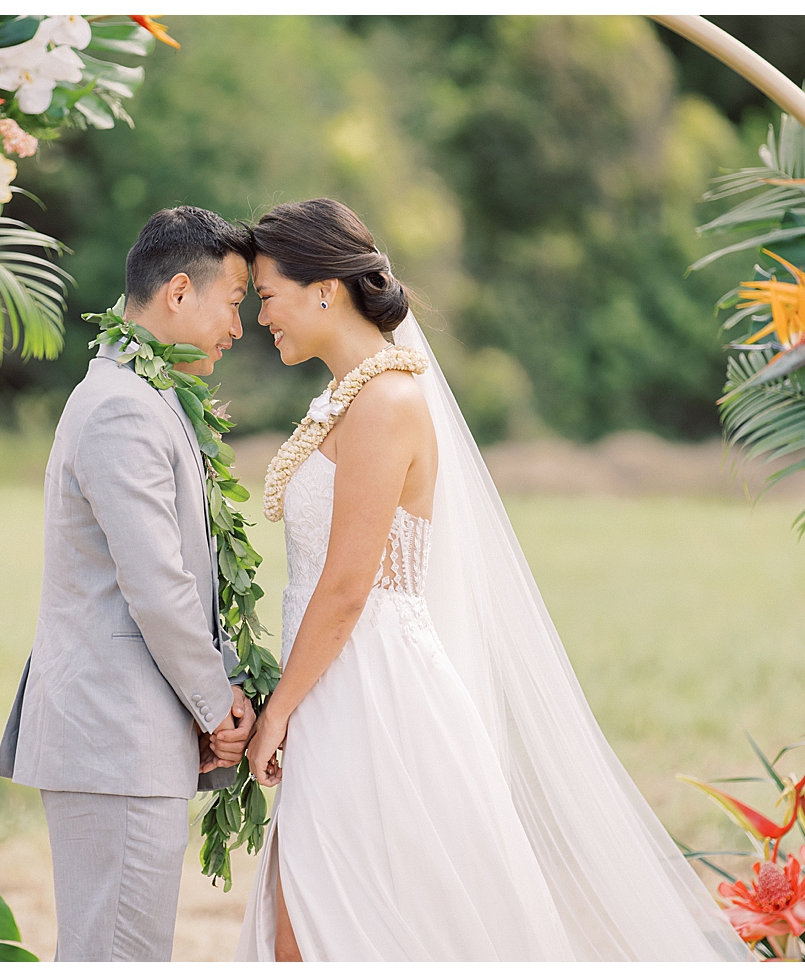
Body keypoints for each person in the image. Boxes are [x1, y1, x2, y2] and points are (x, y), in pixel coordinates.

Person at [236, 198, 748, 962]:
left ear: (324, 288)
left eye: (268, 295)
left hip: (373, 690)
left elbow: (348, 586)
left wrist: (277, 712)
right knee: (315, 918)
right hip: (333, 685)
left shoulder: (386, 401)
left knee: (324, 927)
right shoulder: (347, 398)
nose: (261, 316)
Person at [0, 205, 258, 962]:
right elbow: (158, 587)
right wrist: (218, 706)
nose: (236, 328)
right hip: (115, 736)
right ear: (179, 292)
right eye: (233, 302)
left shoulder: (144, 397)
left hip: (126, 737)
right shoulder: (121, 408)